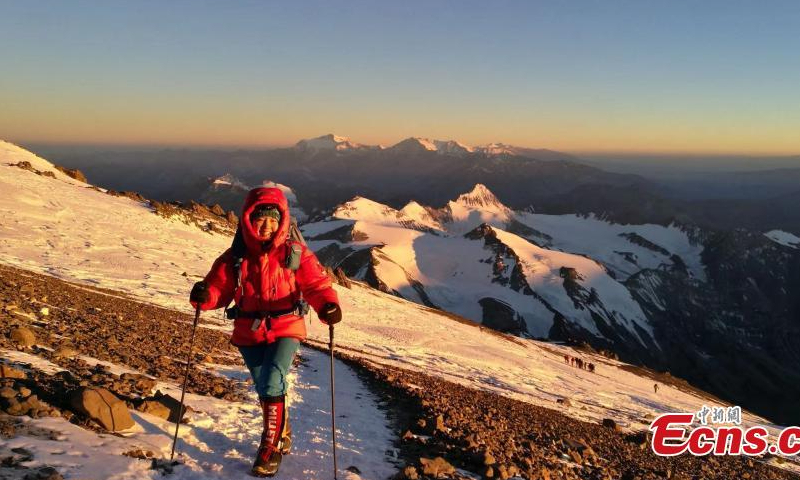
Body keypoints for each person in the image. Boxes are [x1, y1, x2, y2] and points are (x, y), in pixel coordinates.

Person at [189, 187, 340, 477]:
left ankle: (269, 447)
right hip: (248, 329)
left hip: (286, 326)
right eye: (261, 219)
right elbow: (219, 289)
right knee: (265, 385)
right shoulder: (235, 256)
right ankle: (281, 430)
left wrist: (328, 305)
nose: (267, 226)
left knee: (272, 379)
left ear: (282, 221)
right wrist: (204, 295)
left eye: (273, 220)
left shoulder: (295, 253)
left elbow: (316, 286)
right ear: (248, 219)